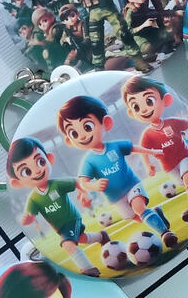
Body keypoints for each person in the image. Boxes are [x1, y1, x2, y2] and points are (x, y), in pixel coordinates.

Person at [57, 94, 176, 248]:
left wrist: (152, 152)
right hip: (114, 197)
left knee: (139, 208)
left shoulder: (115, 146)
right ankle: (156, 213)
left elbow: (133, 148)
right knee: (132, 216)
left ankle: (165, 233)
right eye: (74, 133)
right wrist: (94, 186)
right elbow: (84, 182)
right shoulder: (89, 161)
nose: (83, 136)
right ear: (70, 140)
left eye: (87, 127)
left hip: (131, 185)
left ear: (105, 123)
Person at [6, 136, 108, 277]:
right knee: (81, 238)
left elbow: (76, 182)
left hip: (71, 219)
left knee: (68, 244)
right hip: (59, 228)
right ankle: (101, 237)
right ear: (17, 183)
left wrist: (84, 193)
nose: (37, 171)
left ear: (49, 159)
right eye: (26, 171)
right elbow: (30, 216)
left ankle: (89, 270)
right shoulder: (34, 198)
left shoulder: (57, 185)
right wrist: (27, 219)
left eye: (40, 162)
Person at [122, 75, 188, 225]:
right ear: (132, 113)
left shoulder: (172, 122)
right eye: (137, 107)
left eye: (149, 101)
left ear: (165, 100)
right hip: (169, 166)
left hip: (184, 156)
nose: (144, 109)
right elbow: (144, 151)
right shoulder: (147, 134)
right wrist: (148, 165)